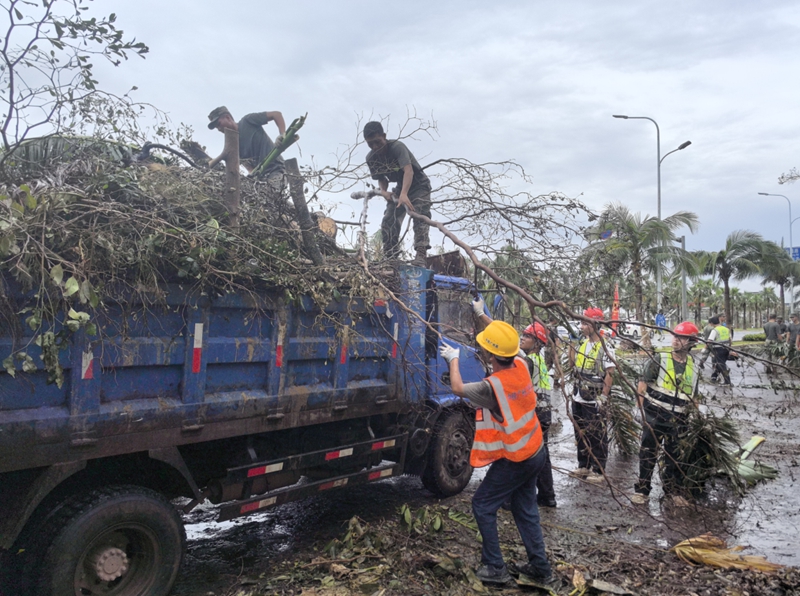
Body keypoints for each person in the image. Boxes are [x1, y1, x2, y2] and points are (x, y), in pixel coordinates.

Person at [439, 320, 555, 587]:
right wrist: (482, 317)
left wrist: (453, 359)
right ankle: (541, 568)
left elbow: (457, 387)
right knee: (525, 509)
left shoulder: (492, 387)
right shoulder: (524, 365)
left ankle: (495, 567)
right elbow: (508, 341)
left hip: (517, 458)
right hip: (535, 449)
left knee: (482, 505)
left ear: (491, 355)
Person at [631, 322, 700, 508]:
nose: (676, 340)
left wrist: (696, 418)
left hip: (678, 421)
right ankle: (642, 491)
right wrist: (640, 412)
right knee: (648, 454)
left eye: (681, 337)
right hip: (654, 417)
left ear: (691, 342)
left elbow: (694, 396)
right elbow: (642, 386)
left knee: (674, 458)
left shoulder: (694, 367)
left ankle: (672, 492)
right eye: (675, 336)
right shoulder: (659, 359)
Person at [363, 121, 432, 265]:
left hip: (418, 184)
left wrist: (404, 194)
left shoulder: (397, 147)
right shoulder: (371, 158)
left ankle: (421, 255)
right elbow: (381, 178)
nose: (375, 147)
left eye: (378, 142)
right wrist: (384, 192)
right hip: (401, 187)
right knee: (389, 218)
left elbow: (409, 170)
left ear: (384, 136)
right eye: (371, 144)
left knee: (420, 215)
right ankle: (391, 256)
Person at [568, 307, 614, 484]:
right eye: (581, 322)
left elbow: (610, 373)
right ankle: (583, 465)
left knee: (596, 433)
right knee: (580, 431)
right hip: (578, 394)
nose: (582, 326)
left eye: (586, 322)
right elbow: (572, 363)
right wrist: (572, 344)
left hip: (594, 397)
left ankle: (598, 469)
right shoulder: (582, 343)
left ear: (596, 324)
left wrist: (603, 397)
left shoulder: (605, 346)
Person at [521, 322, 557, 508]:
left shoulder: (529, 362)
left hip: (534, 414)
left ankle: (517, 498)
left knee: (523, 456)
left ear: (536, 343)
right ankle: (547, 495)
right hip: (544, 413)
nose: (522, 338)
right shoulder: (540, 361)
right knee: (542, 455)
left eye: (527, 336)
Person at [207, 106, 286, 190]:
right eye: (216, 128)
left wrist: (282, 135)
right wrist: (251, 175)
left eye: (219, 124)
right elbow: (248, 166)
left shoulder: (248, 121)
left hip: (276, 169)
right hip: (261, 178)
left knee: (273, 193)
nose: (219, 129)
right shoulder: (233, 145)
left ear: (227, 117)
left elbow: (276, 114)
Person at [701, 316, 731, 385]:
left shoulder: (715, 330)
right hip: (726, 349)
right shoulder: (726, 329)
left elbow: (709, 341)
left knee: (722, 365)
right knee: (719, 364)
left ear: (711, 323)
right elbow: (730, 340)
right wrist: (730, 349)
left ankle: (727, 381)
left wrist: (704, 348)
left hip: (718, 350)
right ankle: (714, 377)